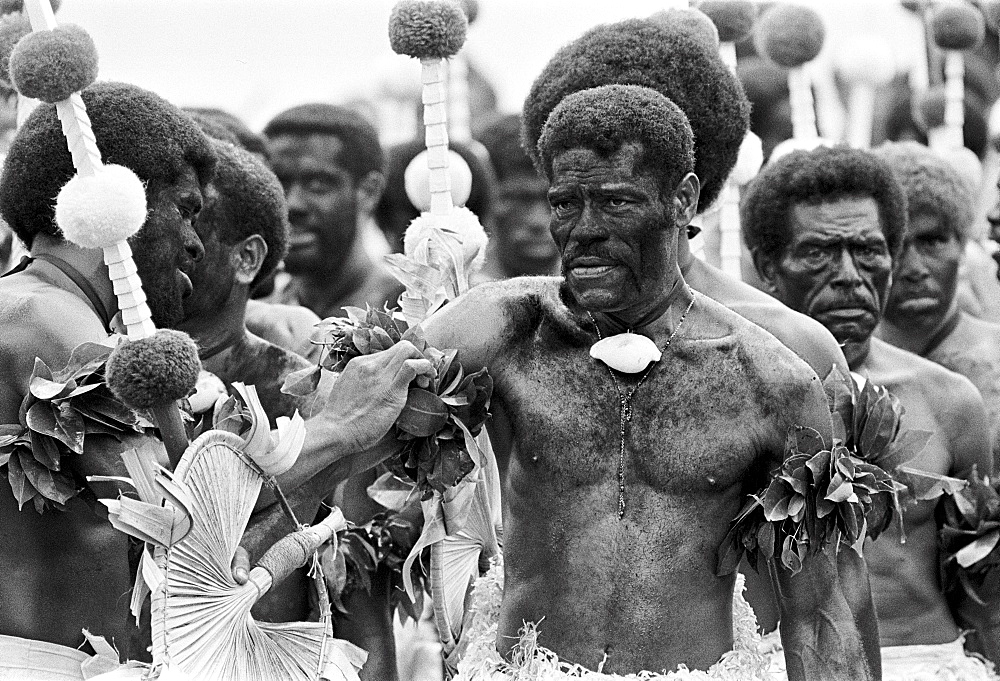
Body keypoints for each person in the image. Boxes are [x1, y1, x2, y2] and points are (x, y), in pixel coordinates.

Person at [421, 82, 875, 679]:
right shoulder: (503, 328)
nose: (584, 229)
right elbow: (352, 431)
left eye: (615, 202)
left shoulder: (771, 381)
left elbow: (816, 610)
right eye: (565, 203)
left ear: (683, 200)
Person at [0, 81, 431, 677]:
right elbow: (187, 544)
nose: (195, 243)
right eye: (185, 210)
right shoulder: (46, 318)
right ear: (121, 202)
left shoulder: (32, 307)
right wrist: (337, 431)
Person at [742, 144, 996, 679]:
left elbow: (982, 588)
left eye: (868, 250)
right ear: (768, 265)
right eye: (819, 253)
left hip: (933, 663)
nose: (849, 276)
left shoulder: (950, 400)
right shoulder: (734, 395)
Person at [875, 141, 1000, 467]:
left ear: (961, 244)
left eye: (932, 241)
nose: (915, 268)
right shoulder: (842, 365)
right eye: (895, 245)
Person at [263, 103, 403, 318]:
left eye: (317, 184)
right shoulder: (263, 319)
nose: (291, 204)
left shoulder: (412, 314)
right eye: (276, 183)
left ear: (369, 191)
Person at [473, 113, 559, 282]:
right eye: (520, 200)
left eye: (556, 202)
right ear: (488, 200)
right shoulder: (454, 297)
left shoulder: (601, 298)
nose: (538, 221)